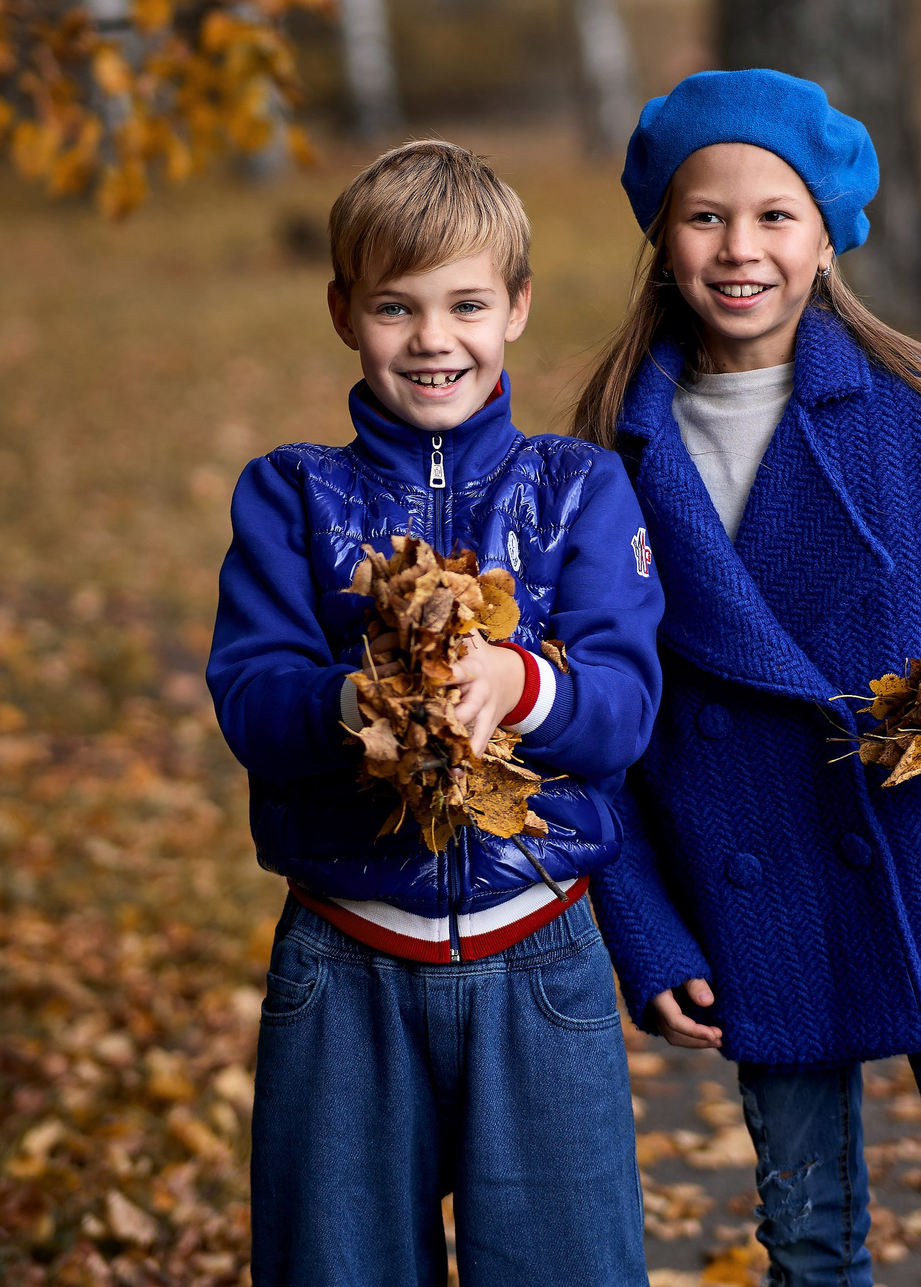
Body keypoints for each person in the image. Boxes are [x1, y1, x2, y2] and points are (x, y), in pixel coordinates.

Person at [575, 70, 921, 1287]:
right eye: (705, 216)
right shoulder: (602, 461)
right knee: (807, 1248)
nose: (738, 248)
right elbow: (595, 741)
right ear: (661, 238)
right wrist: (643, 928)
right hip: (755, 897)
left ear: (826, 236)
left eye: (774, 215)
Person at [207, 138, 666, 1287]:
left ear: (515, 308)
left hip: (539, 956)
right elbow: (251, 700)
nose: (431, 339)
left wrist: (518, 684)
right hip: (344, 962)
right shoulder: (290, 494)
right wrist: (353, 701)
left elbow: (622, 708)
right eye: (394, 307)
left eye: (465, 304)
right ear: (343, 313)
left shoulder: (578, 489)